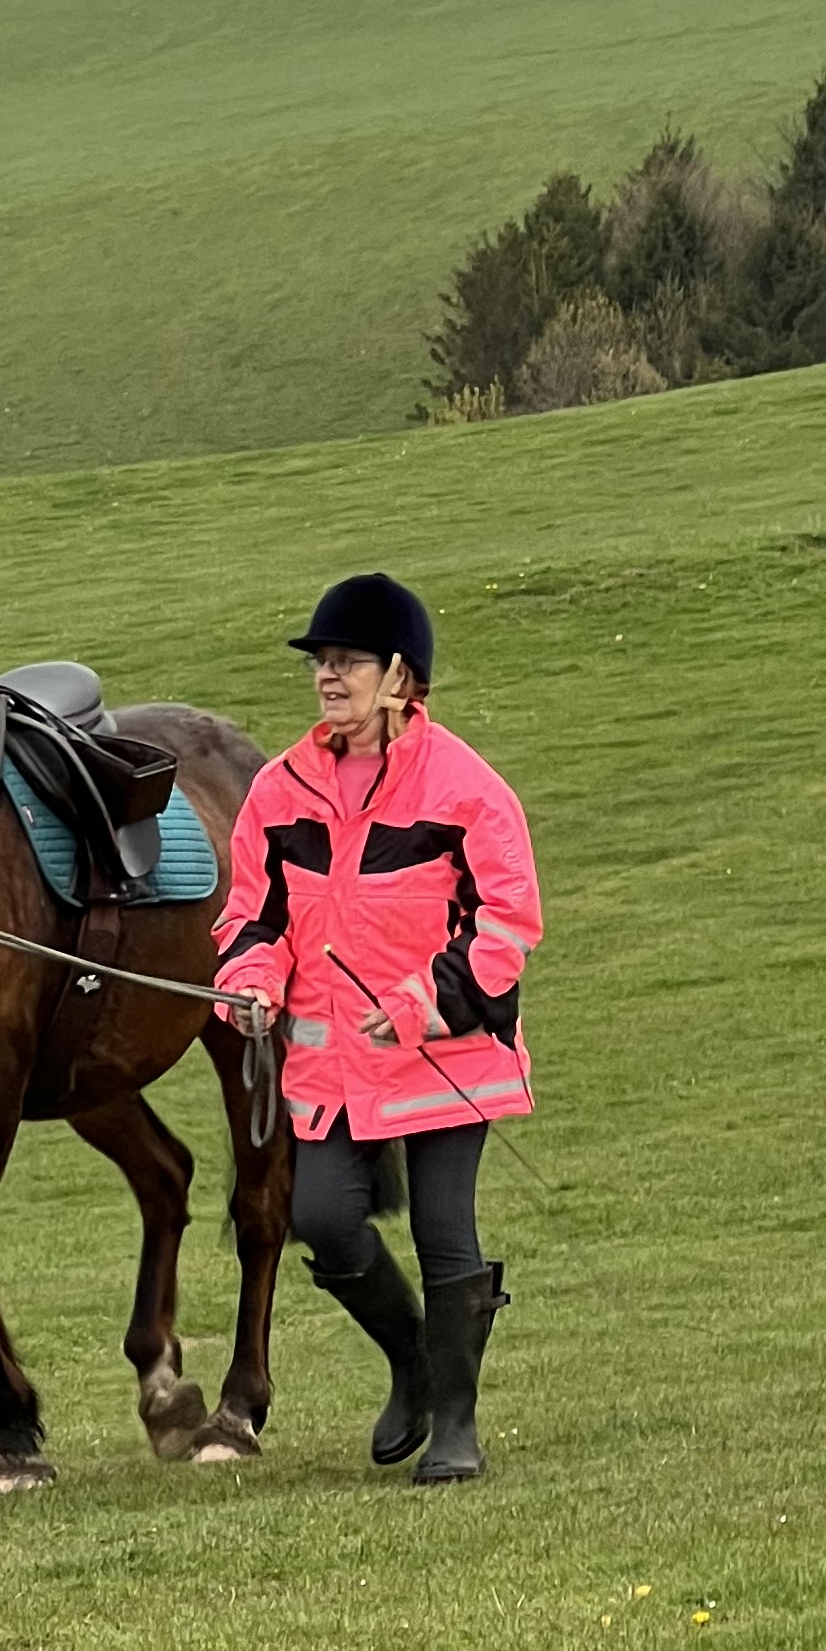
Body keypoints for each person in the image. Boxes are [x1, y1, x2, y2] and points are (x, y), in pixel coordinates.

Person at [213, 572, 542, 1482]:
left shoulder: (467, 787)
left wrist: (422, 1004)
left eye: (348, 660)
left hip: (449, 1055)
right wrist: (250, 982)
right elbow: (251, 918)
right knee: (320, 1216)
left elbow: (507, 921)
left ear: (401, 677)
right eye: (321, 660)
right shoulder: (278, 790)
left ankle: (457, 1429)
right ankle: (415, 1363)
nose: (328, 675)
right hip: (332, 1070)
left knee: (443, 1229)